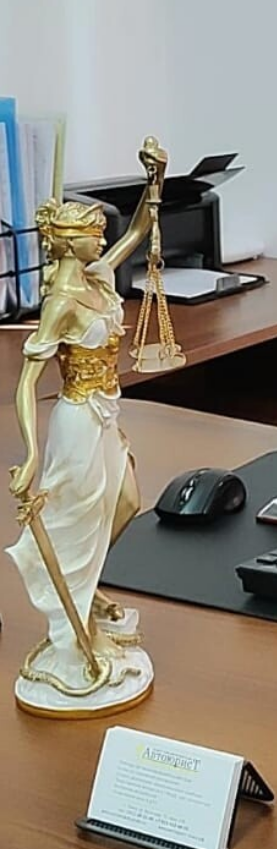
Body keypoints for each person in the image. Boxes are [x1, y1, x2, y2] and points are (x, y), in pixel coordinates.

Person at [6, 139, 167, 696]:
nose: (102, 236)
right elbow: (28, 381)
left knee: (126, 503)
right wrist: (30, 455)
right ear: (67, 241)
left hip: (106, 410)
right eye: (92, 232)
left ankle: (87, 588)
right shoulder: (60, 304)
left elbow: (139, 230)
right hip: (77, 418)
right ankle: (74, 631)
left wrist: (155, 179)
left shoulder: (98, 277)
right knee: (75, 522)